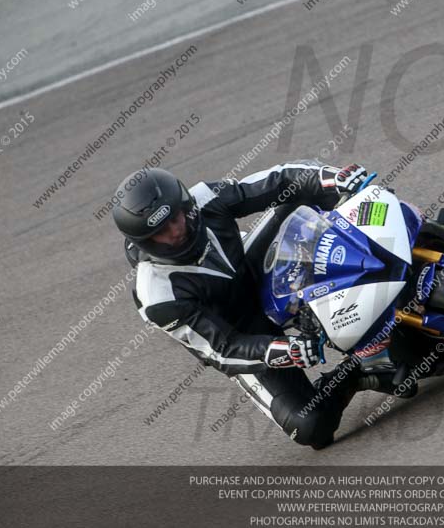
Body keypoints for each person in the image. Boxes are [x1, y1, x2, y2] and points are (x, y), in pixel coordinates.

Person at [112, 161, 394, 449]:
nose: (176, 231)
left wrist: (332, 177)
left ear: (185, 204)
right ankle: (357, 373)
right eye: (161, 231)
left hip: (255, 268)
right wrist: (284, 351)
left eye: (176, 217)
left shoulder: (205, 198)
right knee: (311, 426)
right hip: (242, 330)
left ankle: (392, 241)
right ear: (146, 242)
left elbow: (279, 180)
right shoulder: (157, 295)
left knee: (309, 195)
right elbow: (222, 350)